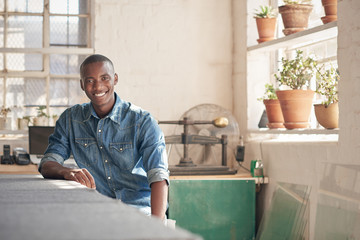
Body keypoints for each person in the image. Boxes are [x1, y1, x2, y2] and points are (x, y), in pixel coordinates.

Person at [38, 54, 169, 220]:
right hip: (94, 213)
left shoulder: (142, 122)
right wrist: (67, 172)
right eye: (90, 80)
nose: (98, 87)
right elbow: (47, 164)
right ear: (82, 85)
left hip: (138, 213)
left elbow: (159, 176)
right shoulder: (70, 119)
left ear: (115, 79)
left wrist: (156, 226)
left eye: (104, 78)